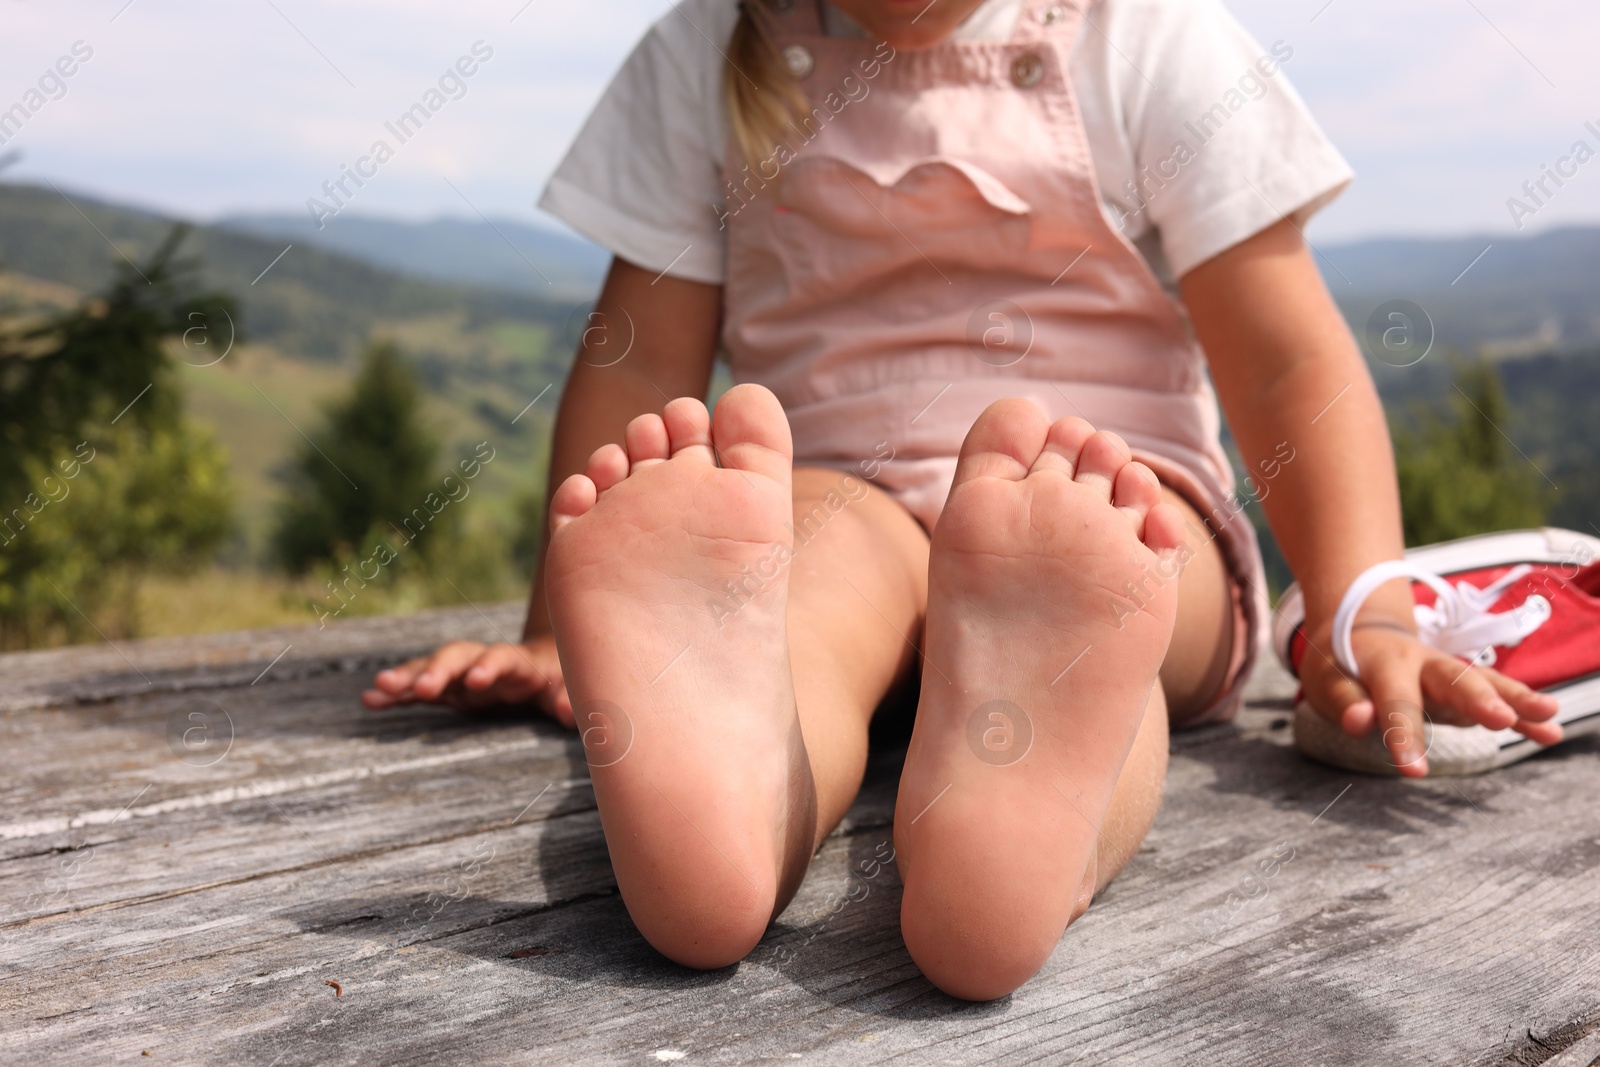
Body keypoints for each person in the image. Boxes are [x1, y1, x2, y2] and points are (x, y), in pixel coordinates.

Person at [364, 0, 1562, 1000]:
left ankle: (1014, 838)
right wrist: (552, 632)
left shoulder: (1145, 35)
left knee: (1105, 615)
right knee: (803, 608)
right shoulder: (705, 46)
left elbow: (1288, 359)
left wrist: (1371, 613)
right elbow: (637, 354)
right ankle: (727, 818)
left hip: (1117, 495)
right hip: (847, 492)